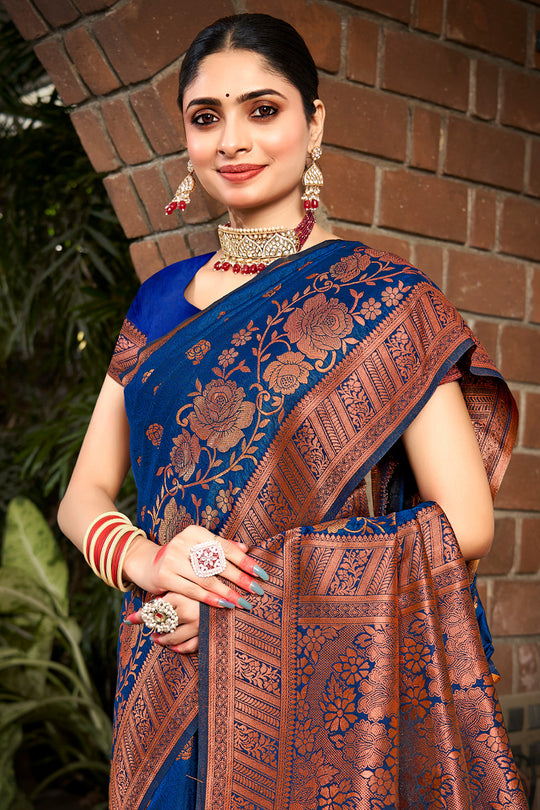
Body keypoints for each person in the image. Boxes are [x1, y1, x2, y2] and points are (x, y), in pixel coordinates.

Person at [58, 13, 528, 810]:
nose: (232, 140)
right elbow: (83, 495)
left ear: (315, 126)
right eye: (207, 118)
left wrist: (249, 597)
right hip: (168, 677)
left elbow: (467, 523)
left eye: (263, 109)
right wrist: (151, 564)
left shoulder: (388, 302)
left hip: (320, 705)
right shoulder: (159, 302)